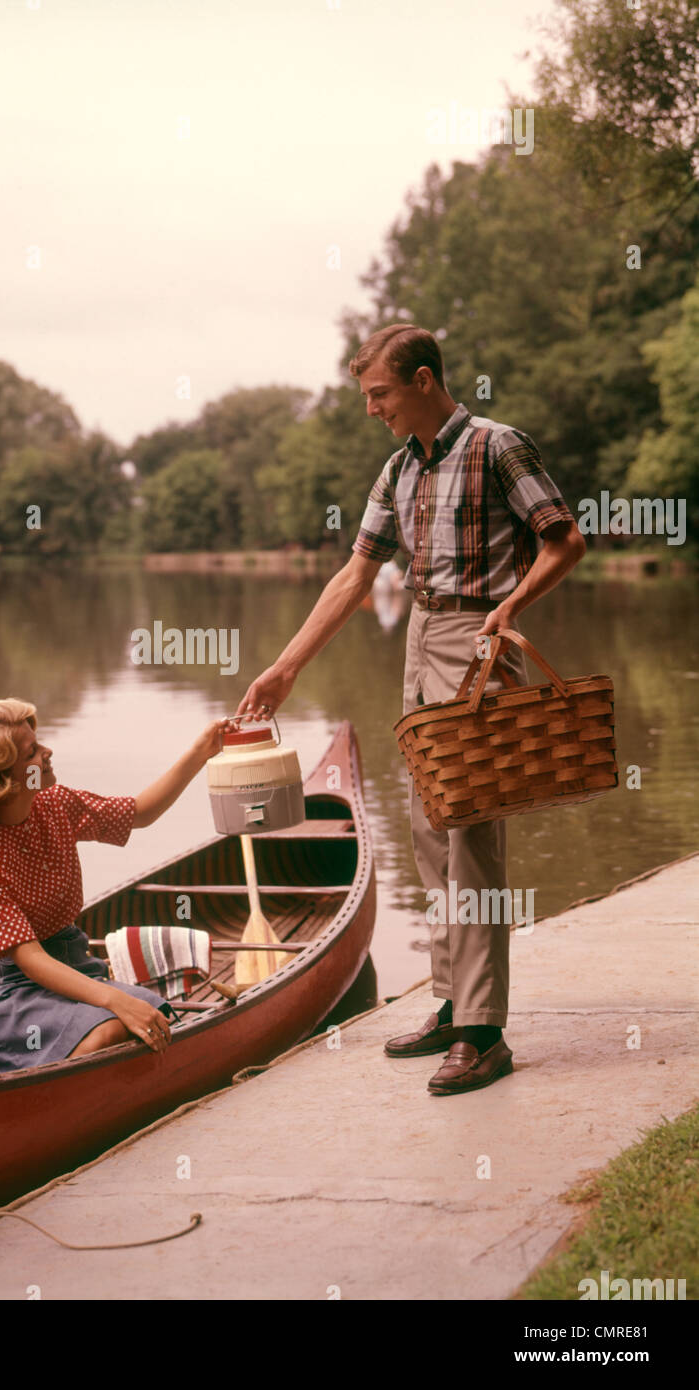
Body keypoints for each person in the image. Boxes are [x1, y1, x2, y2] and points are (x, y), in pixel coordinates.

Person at [237, 324, 586, 1096]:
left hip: (478, 639)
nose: (371, 410)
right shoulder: (397, 469)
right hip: (420, 639)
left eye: (379, 394)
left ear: (423, 381)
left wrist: (512, 604)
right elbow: (354, 579)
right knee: (429, 830)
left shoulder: (499, 446)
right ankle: (451, 1000)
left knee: (471, 836)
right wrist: (285, 667)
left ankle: (484, 1033)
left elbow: (563, 542)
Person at [0, 696, 237, 1073]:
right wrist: (114, 1000)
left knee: (154, 1017)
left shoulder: (54, 803)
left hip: (75, 968)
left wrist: (203, 750)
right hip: (11, 996)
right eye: (32, 752)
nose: (47, 752)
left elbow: (140, 813)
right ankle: (45, 1103)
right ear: (2, 780)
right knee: (113, 1028)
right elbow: (31, 961)